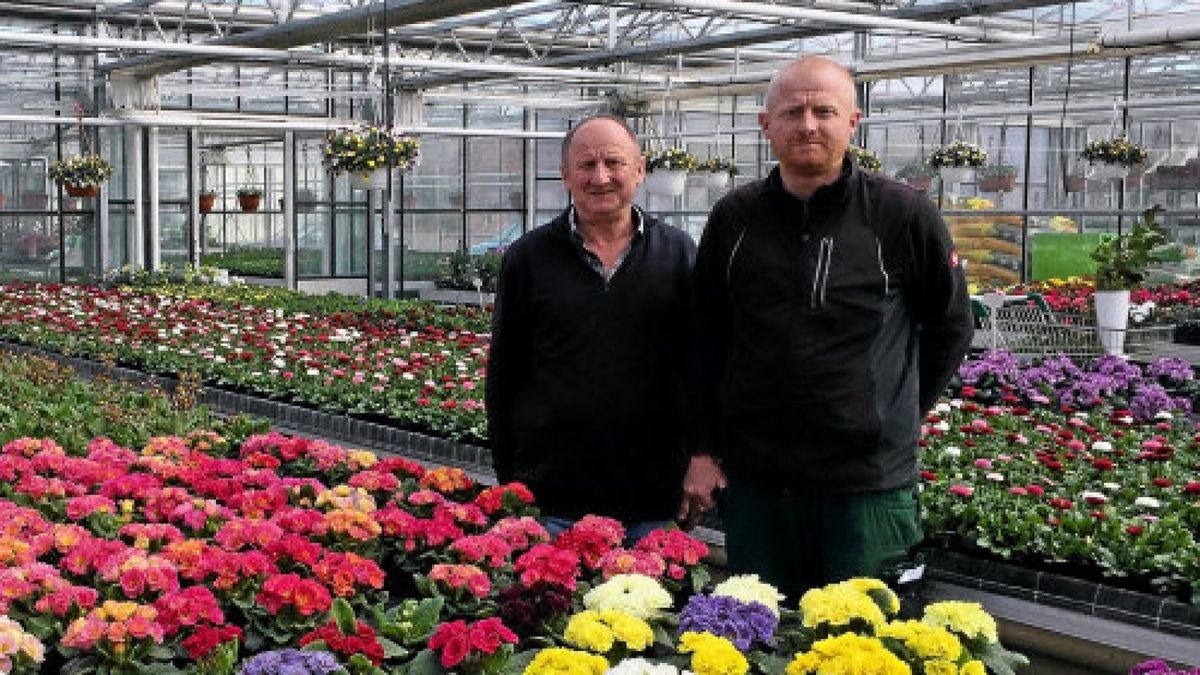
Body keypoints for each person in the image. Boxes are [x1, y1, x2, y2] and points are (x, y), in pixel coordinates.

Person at [679, 56, 974, 598]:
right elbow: (706, 340)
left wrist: (892, 412)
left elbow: (950, 328)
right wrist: (702, 449)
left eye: (823, 110)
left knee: (864, 639)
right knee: (758, 633)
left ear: (853, 122)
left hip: (866, 489)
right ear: (766, 125)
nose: (808, 124)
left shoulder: (902, 215)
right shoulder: (735, 219)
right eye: (792, 111)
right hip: (757, 484)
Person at [486, 114, 696, 544]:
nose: (600, 177)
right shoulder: (528, 258)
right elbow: (505, 373)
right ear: (565, 176)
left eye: (614, 163)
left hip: (653, 499)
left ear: (639, 170)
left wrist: (704, 456)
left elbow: (703, 365)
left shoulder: (678, 253)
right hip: (552, 501)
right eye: (586, 165)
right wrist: (509, 478)